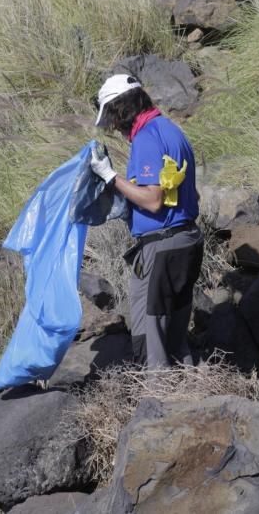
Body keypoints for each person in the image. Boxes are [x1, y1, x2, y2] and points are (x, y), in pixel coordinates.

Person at [90, 74, 203, 369]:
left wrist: (110, 177)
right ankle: (190, 397)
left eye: (112, 117)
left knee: (148, 337)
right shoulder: (171, 130)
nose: (113, 127)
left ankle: (158, 404)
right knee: (175, 339)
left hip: (161, 248)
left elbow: (153, 200)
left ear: (121, 108)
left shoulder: (146, 137)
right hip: (187, 242)